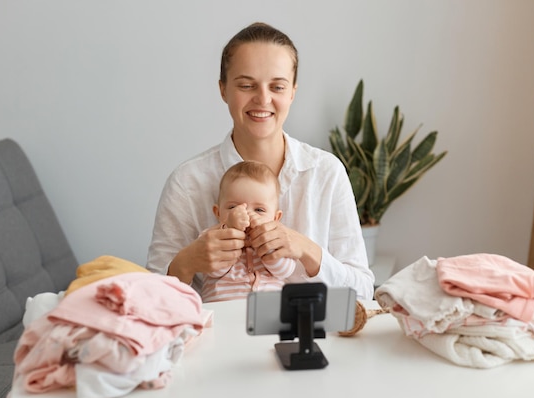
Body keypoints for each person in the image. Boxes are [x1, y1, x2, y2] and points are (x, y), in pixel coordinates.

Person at [147, 21, 374, 300]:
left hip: (315, 341)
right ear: (223, 90)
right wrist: (186, 262)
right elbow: (151, 298)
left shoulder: (326, 173)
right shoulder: (187, 183)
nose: (262, 99)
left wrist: (307, 250)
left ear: (292, 92)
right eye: (246, 85)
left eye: (277, 87)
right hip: (220, 342)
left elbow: (363, 293)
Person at [202, 160, 296, 302]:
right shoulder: (212, 238)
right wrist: (230, 229)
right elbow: (213, 269)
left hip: (268, 315)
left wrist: (265, 242)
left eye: (259, 210)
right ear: (218, 213)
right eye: (233, 208)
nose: (245, 215)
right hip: (223, 315)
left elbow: (285, 270)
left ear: (276, 218)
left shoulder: (278, 240)